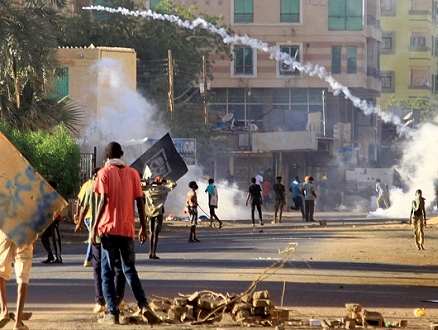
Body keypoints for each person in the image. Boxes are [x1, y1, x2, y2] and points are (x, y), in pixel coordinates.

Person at [92, 142, 158, 325]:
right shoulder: (133, 173)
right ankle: (144, 305)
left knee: (107, 271)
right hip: (127, 229)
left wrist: (94, 227)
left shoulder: (103, 173)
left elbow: (103, 200)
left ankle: (112, 313)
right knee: (129, 269)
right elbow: (140, 202)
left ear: (106, 157)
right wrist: (144, 227)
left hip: (108, 229)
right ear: (121, 154)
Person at [75, 168, 126, 314]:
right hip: (114, 231)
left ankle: (100, 302)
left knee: (98, 268)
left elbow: (84, 207)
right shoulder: (117, 187)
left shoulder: (91, 187)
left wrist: (79, 224)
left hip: (97, 233)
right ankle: (117, 299)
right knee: (117, 267)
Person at [143, 176, 177, 258]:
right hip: (159, 213)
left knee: (151, 232)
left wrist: (147, 182)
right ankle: (154, 252)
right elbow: (173, 184)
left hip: (150, 213)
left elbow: (138, 184)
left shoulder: (148, 189)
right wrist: (165, 180)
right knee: (156, 233)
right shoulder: (163, 189)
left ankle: (150, 252)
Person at [75, 170, 100, 267]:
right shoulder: (94, 185)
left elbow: (79, 201)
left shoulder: (86, 185)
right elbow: (81, 202)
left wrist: (78, 216)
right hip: (92, 215)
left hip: (86, 216)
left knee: (93, 236)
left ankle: (91, 258)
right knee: (93, 237)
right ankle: (88, 258)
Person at [40, 181, 62, 264]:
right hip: (48, 220)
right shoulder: (46, 195)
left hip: (55, 220)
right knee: (44, 237)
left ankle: (58, 257)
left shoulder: (56, 196)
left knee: (55, 239)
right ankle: (50, 255)